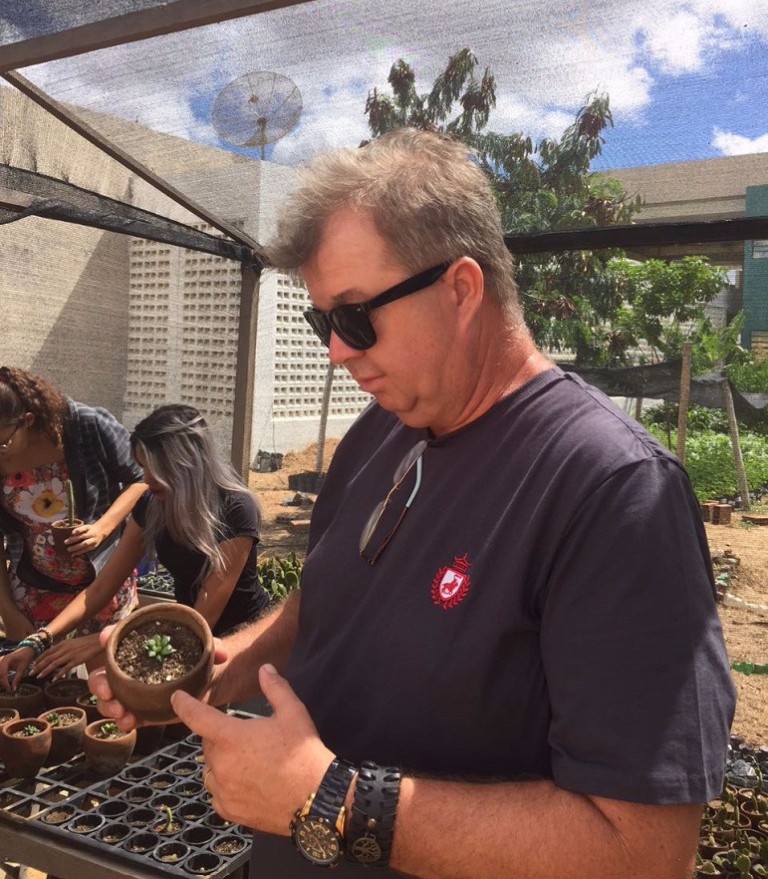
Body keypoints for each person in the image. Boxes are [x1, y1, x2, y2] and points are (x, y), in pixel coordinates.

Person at [91, 128, 735, 879]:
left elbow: (644, 853)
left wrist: (334, 801)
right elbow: (324, 600)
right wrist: (220, 667)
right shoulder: (384, 429)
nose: (336, 350)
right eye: (322, 321)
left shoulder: (612, 489)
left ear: (461, 290)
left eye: (355, 315)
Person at [0, 403, 269, 685]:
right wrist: (39, 640)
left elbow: (204, 615)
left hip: (242, 639)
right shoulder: (153, 504)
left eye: (156, 469)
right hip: (183, 634)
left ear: (188, 463)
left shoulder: (236, 509)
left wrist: (103, 640)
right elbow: (100, 589)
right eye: (144, 467)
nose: (147, 479)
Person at [0, 365, 145, 670]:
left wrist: (103, 527)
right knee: (35, 677)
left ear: (28, 420)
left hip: (103, 581)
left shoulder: (87, 426)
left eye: (2, 444)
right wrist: (8, 612)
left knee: (105, 679)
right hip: (36, 585)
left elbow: (142, 479)